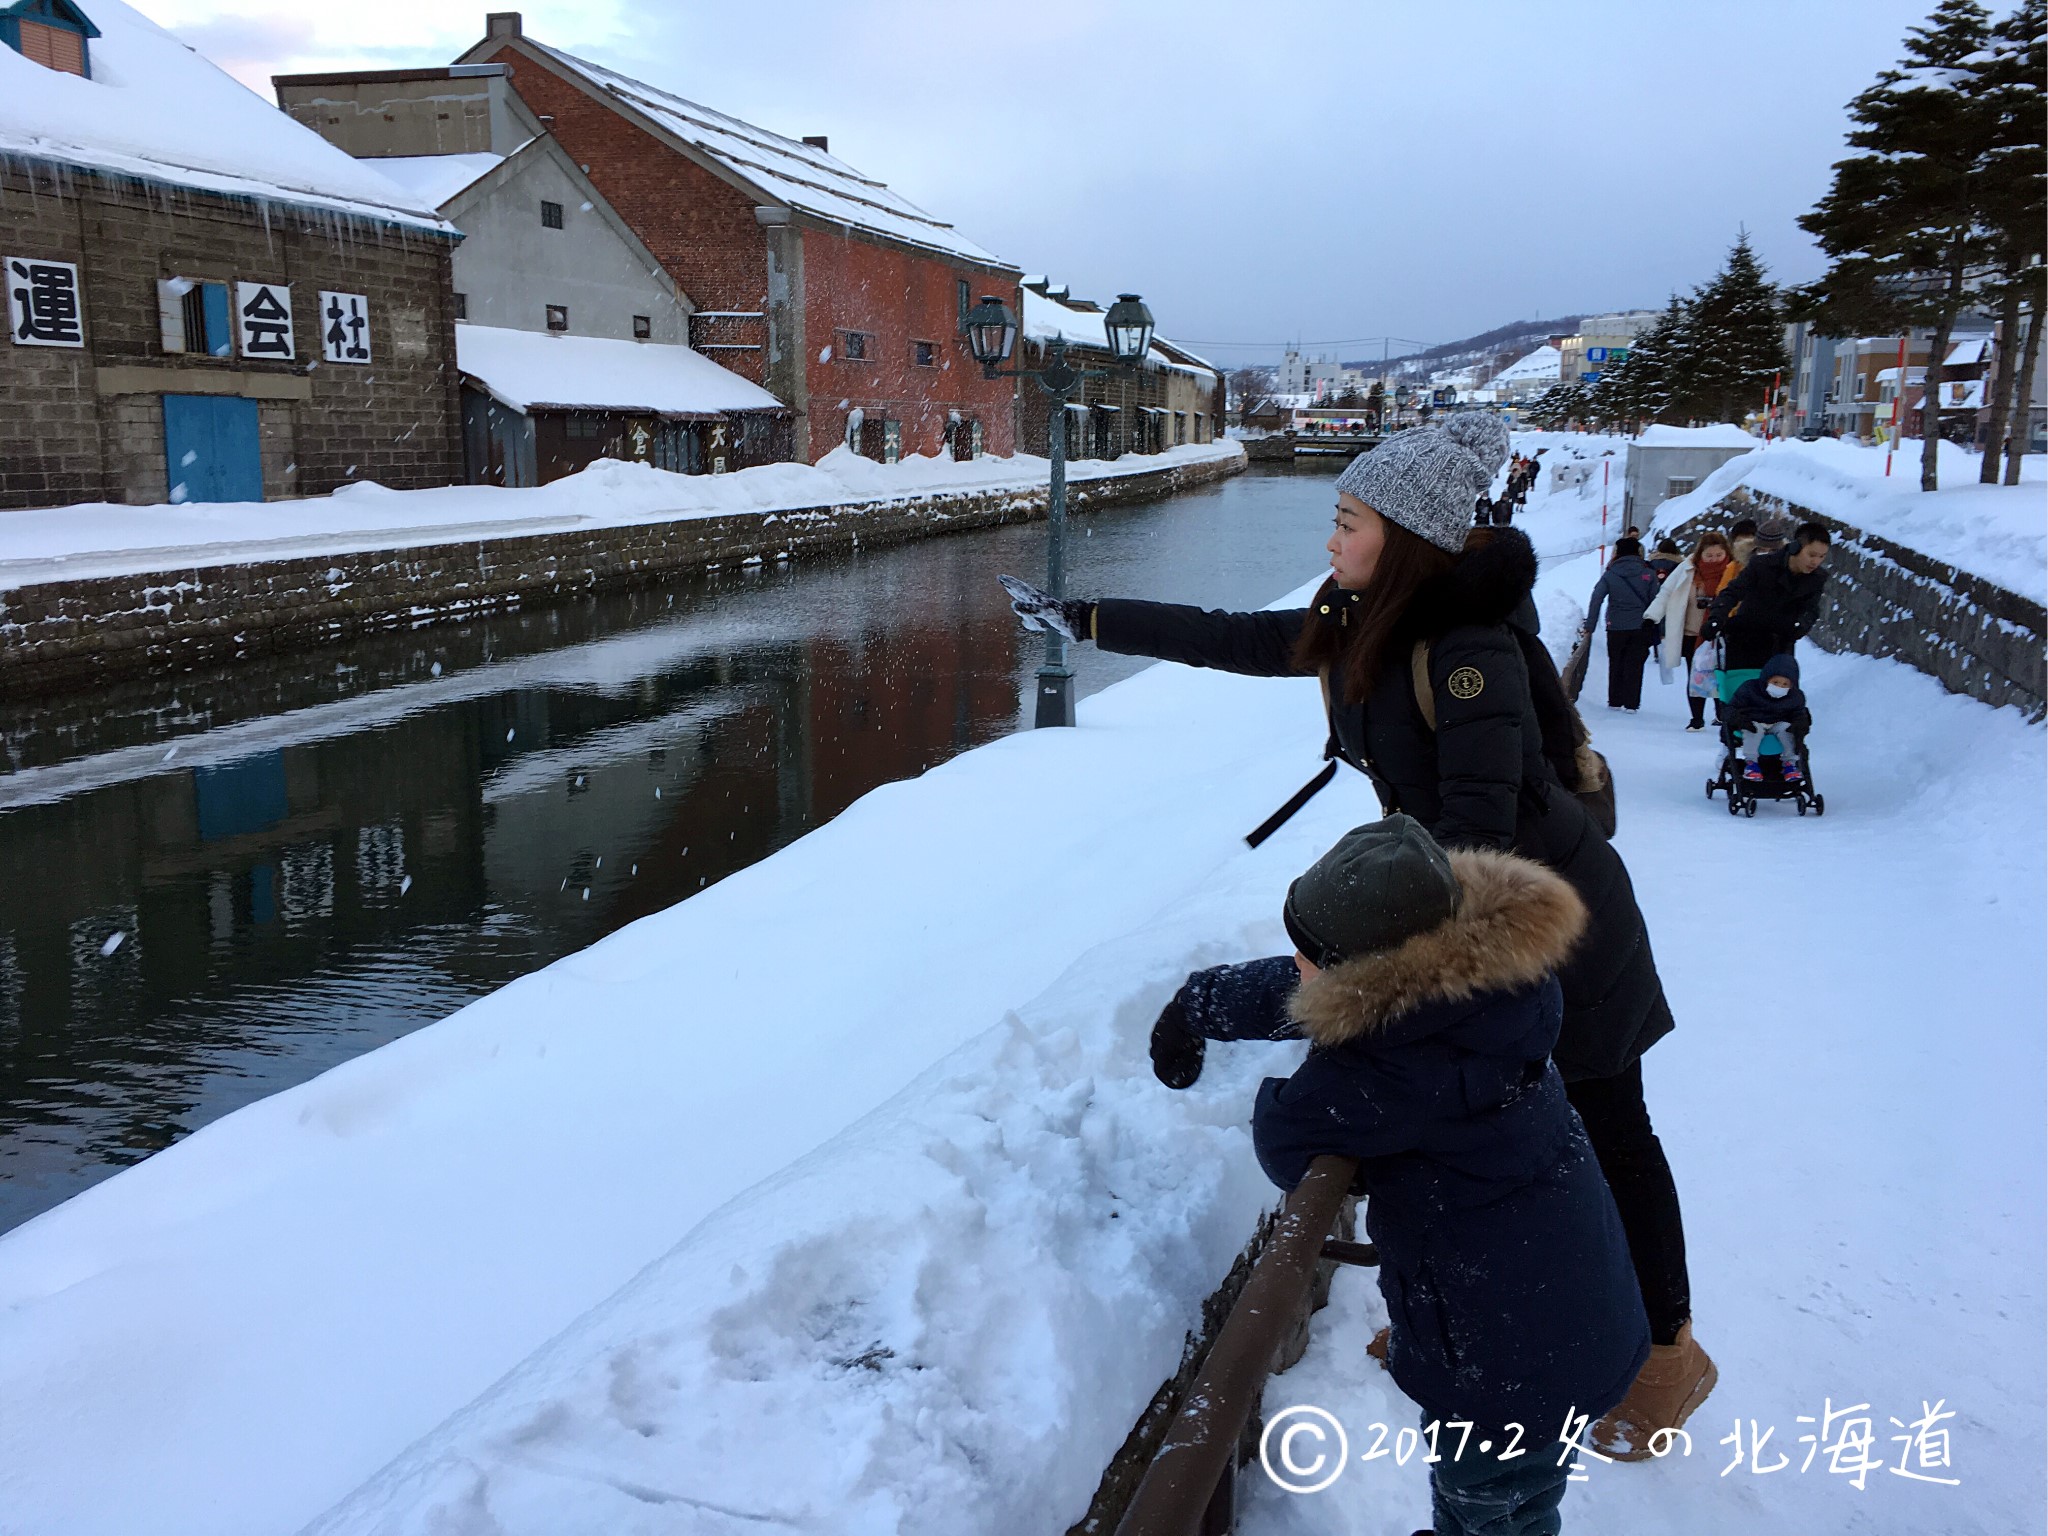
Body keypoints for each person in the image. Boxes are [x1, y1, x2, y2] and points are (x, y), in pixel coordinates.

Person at [1001, 412, 1712, 1459]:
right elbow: (1241, 637)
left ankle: (1661, 1358)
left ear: (1409, 534)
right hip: (1462, 914)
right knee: (1501, 1137)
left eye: (1345, 521)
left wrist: (1372, 941)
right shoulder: (1359, 609)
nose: (1326, 542)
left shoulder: (1466, 646)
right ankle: (1491, 1325)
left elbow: (1476, 824)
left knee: (1605, 1137)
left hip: (1552, 926)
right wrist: (1092, 617)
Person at [1155, 817, 1651, 1536]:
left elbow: (1288, 1137)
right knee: (1492, 1490)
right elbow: (1328, 990)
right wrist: (1200, 1004)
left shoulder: (1399, 1069)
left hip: (1507, 1367)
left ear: (1364, 979)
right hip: (1563, 1313)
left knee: (1496, 1504)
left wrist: (1283, 1068)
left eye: (1307, 956)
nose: (1294, 964)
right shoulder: (1482, 986)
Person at [1706, 520, 1831, 692]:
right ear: (1795, 548)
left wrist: (1800, 626)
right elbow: (1732, 592)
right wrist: (1717, 617)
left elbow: (1811, 609)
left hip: (1780, 646)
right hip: (1745, 641)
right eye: (1812, 555)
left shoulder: (1817, 578)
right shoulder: (1762, 565)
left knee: (1777, 702)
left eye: (1822, 556)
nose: (1816, 561)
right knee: (1740, 699)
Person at [1643, 530, 1735, 731]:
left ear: (1726, 553)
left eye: (1718, 555)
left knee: (1722, 676)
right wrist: (1652, 616)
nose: (1713, 560)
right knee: (1696, 676)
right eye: (1709, 556)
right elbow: (1666, 592)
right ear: (1700, 554)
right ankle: (1696, 718)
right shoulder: (1687, 569)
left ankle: (1723, 716)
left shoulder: (1733, 571)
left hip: (1723, 635)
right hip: (1691, 634)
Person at [1584, 536, 1661, 711]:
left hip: (1615, 625)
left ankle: (1615, 701)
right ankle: (1632, 703)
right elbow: (1657, 601)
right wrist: (1659, 627)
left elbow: (1597, 598)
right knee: (1635, 664)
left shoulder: (1611, 573)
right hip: (1640, 626)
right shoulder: (1648, 574)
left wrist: (1590, 625)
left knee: (1616, 662)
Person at [1728, 653, 1810, 784]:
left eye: (1785, 684)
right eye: (1775, 682)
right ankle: (1751, 763)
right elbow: (1732, 708)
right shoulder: (1749, 688)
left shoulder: (1795, 697)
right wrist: (1740, 720)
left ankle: (1790, 763)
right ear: (1766, 679)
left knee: (1788, 731)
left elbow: (1799, 713)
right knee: (1753, 732)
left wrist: (1799, 724)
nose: (1779, 687)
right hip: (1753, 720)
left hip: (1778, 721)